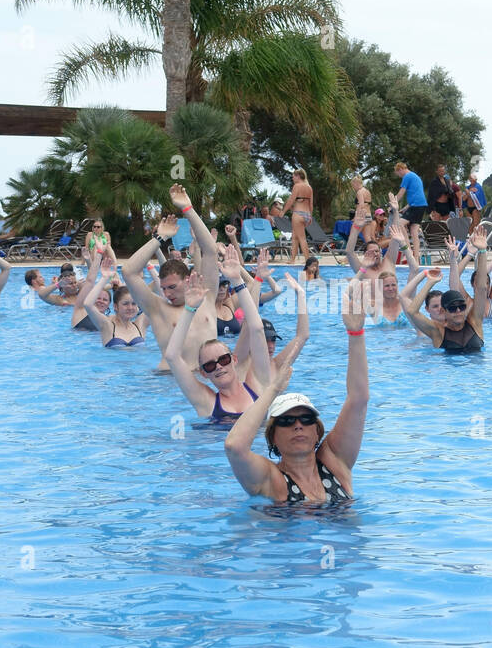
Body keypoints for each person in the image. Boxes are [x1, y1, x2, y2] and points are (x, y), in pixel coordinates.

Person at [223, 281, 367, 504]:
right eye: (287, 421)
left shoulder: (335, 462)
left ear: (317, 431)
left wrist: (356, 334)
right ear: (272, 437)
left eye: (306, 419)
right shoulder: (270, 479)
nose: (298, 425)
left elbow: (358, 399)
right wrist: (272, 390)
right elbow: (234, 447)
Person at [165, 249, 274, 424]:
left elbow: (256, 328)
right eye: (209, 365)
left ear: (234, 359)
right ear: (203, 373)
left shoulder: (259, 384)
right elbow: (172, 356)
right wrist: (190, 308)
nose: (218, 367)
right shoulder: (206, 402)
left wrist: (237, 280)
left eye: (223, 359)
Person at [121, 185, 219, 372]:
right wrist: (160, 237)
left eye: (172, 287)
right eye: (164, 288)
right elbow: (128, 271)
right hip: (169, 382)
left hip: (209, 378)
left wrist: (188, 210)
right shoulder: (157, 308)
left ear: (188, 280)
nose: (166, 293)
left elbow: (210, 251)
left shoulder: (207, 297)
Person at [409, 227, 489, 354]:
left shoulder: (475, 322)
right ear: (444, 311)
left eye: (462, 307)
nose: (458, 311)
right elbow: (412, 312)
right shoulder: (438, 332)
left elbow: (481, 289)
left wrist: (483, 251)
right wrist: (429, 282)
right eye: (452, 308)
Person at [392, 161, 427, 265]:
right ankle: (416, 259)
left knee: (399, 224)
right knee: (414, 231)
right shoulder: (415, 176)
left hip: (416, 205)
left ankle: (408, 251)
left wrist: (392, 203)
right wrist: (406, 207)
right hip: (420, 205)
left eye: (398, 174)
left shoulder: (407, 176)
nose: (399, 176)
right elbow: (417, 193)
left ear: (400, 169)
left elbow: (401, 193)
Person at [287, 169, 314, 264]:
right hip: (306, 214)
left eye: (293, 176)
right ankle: (292, 259)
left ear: (298, 176)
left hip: (298, 214)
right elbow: (311, 204)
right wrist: (310, 216)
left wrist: (283, 210)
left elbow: (291, 201)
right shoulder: (309, 187)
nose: (292, 178)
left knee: (302, 238)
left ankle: (307, 260)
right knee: (295, 237)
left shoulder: (297, 186)